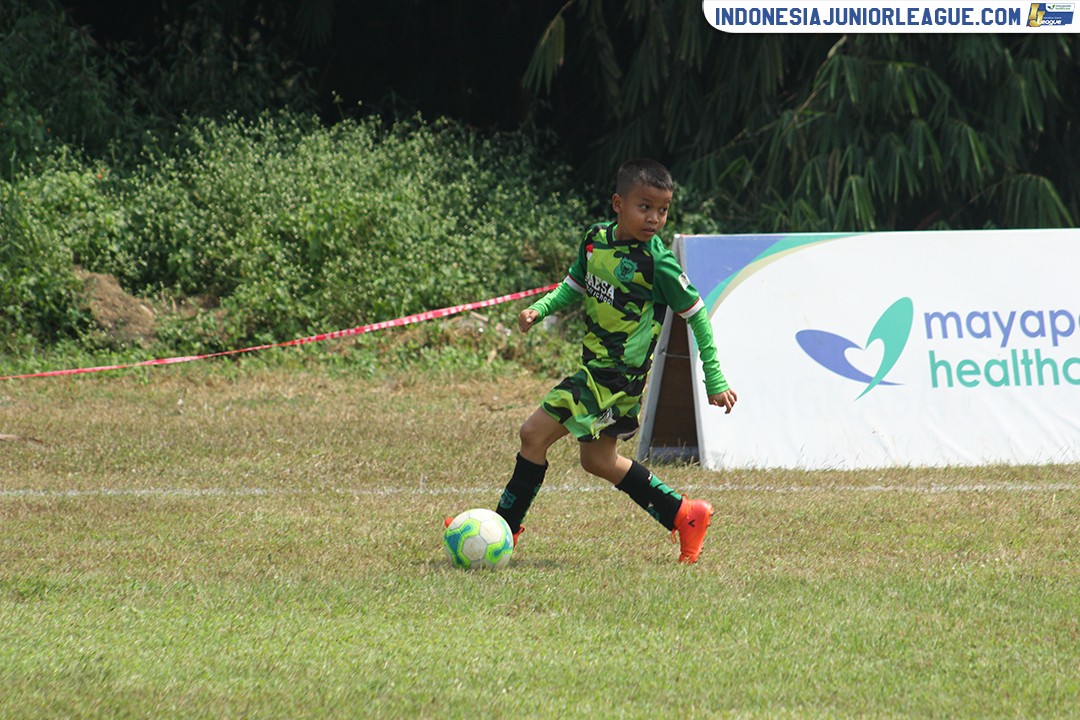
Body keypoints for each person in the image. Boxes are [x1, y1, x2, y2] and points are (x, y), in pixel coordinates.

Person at [466, 158, 737, 563]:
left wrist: (713, 378)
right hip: (596, 371)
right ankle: (685, 514)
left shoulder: (657, 263)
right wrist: (540, 310)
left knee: (532, 434)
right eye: (644, 207)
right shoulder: (596, 240)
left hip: (617, 379)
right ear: (617, 203)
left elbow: (696, 313)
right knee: (598, 461)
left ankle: (504, 529)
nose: (654, 219)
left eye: (663, 210)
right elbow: (575, 281)